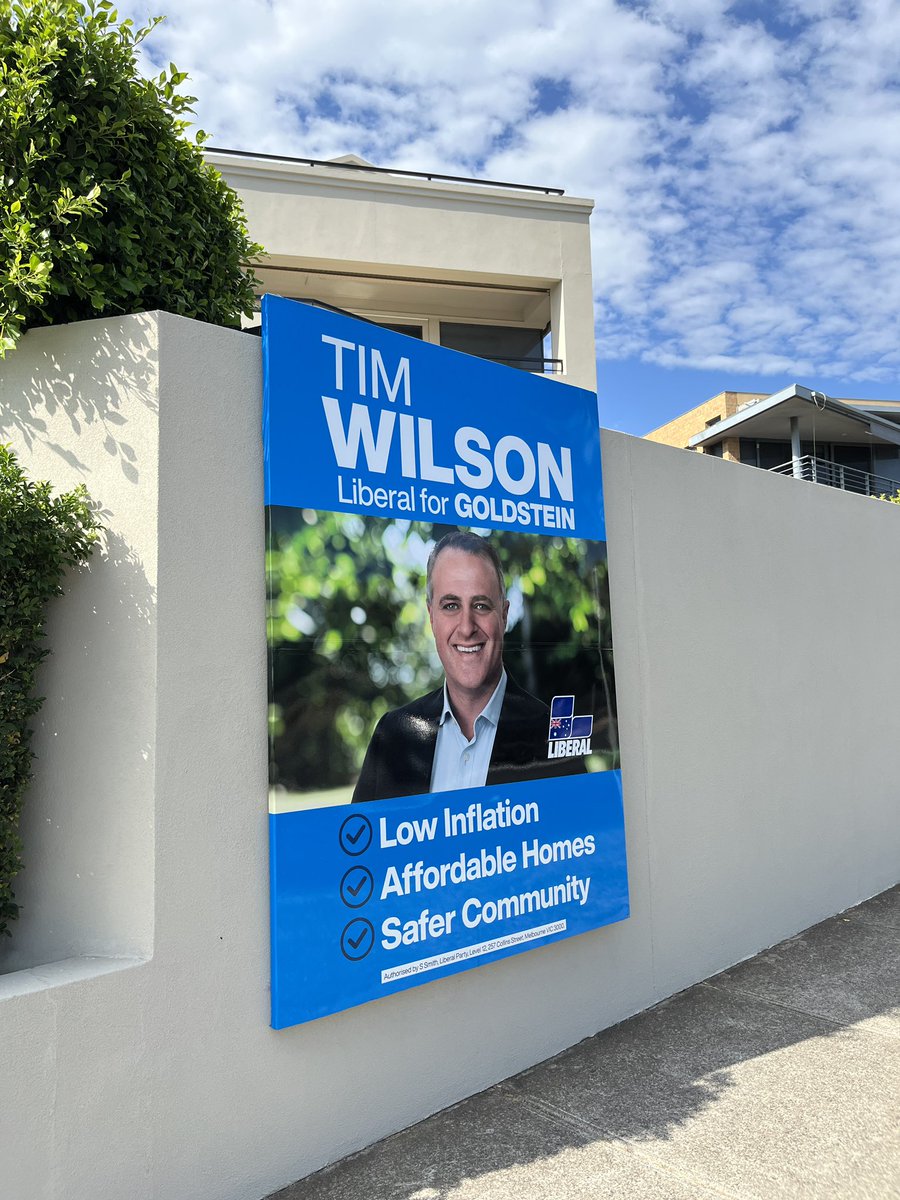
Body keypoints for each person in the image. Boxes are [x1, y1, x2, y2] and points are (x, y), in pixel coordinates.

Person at [352, 531, 583, 803]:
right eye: (450, 606)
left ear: (504, 615)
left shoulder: (554, 741)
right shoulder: (393, 736)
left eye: (481, 605)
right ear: (431, 617)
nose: (466, 627)